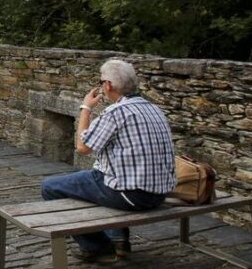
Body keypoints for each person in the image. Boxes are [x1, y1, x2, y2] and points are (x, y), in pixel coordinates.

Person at [41, 59, 176, 263]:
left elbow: (83, 147)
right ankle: (119, 240)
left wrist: (86, 108)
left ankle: (99, 247)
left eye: (101, 81)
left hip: (132, 196)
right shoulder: (154, 109)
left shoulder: (116, 112)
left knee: (50, 187)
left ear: (108, 85)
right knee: (106, 175)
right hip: (159, 194)